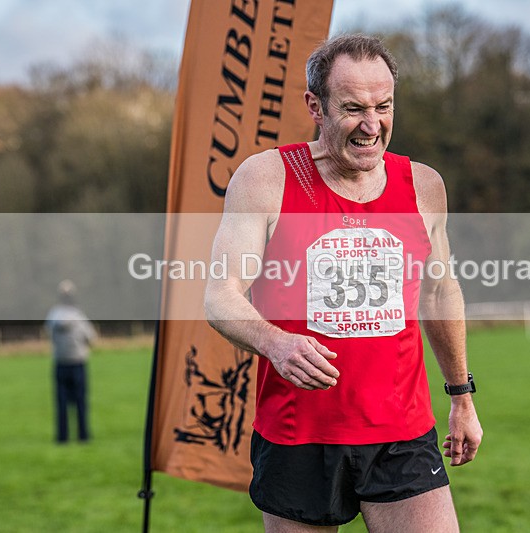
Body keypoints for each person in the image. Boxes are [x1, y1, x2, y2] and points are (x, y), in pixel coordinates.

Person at [205, 34, 482, 532]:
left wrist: (461, 396)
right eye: (353, 109)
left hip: (401, 432)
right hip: (299, 434)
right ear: (316, 106)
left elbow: (440, 293)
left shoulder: (423, 186)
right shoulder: (267, 178)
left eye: (384, 106)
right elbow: (220, 294)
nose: (372, 125)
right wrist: (276, 343)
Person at [45, 279, 96, 443]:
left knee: (61, 403)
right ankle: (83, 435)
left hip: (60, 362)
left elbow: (48, 334)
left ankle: (62, 436)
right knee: (81, 401)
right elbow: (91, 337)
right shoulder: (78, 315)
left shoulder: (53, 316)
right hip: (77, 362)